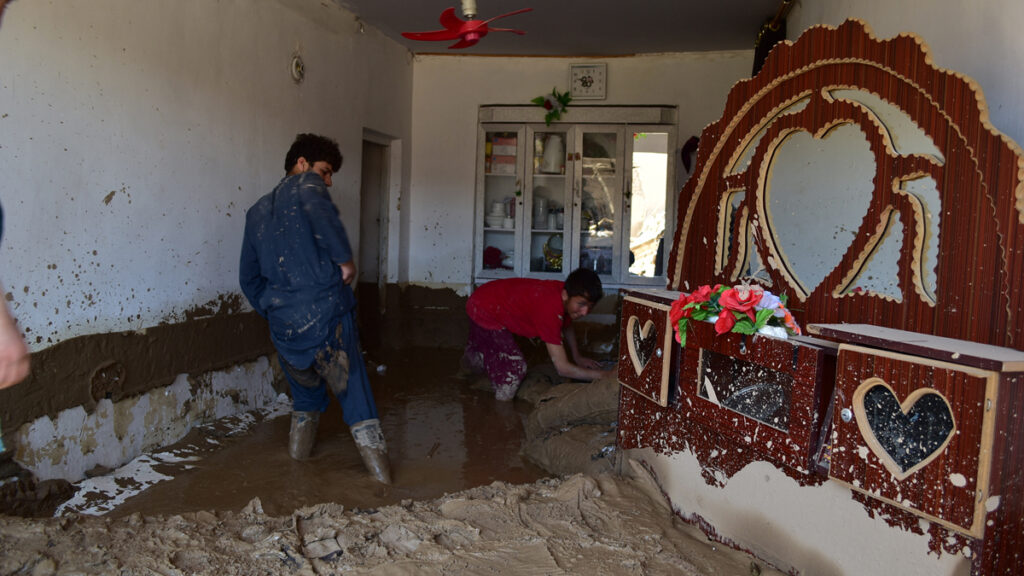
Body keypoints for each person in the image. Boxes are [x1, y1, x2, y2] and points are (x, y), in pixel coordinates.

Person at [239, 133, 391, 484]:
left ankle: (296, 467)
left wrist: (274, 309)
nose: (328, 181)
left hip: (285, 327)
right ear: (303, 165)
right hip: (328, 316)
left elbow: (248, 279)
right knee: (354, 392)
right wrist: (345, 261)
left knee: (305, 396)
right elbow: (318, 208)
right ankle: (385, 483)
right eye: (325, 171)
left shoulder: (256, 211)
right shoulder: (305, 185)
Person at [463, 267, 613, 401]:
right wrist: (603, 375)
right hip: (483, 307)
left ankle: (476, 357)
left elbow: (566, 326)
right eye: (581, 304)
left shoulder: (565, 296)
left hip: (491, 299)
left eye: (590, 306)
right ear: (566, 294)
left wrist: (577, 357)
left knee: (491, 353)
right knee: (514, 370)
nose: (585, 312)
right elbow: (563, 368)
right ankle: (500, 409)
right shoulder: (549, 309)